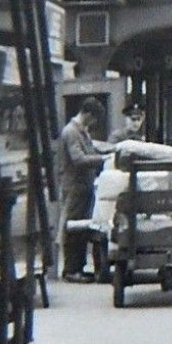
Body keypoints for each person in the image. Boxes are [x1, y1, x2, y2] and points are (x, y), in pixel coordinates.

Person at [57, 98, 110, 283]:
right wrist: (103, 159)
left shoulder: (82, 132)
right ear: (88, 114)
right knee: (72, 227)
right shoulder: (71, 132)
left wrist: (106, 151)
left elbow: (91, 150)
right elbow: (78, 159)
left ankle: (78, 267)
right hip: (74, 186)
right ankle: (71, 270)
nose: (94, 123)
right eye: (94, 119)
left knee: (80, 229)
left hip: (83, 186)